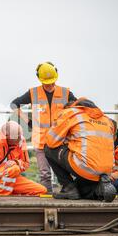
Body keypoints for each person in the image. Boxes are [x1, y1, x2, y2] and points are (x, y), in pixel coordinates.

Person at [10, 62, 77, 192]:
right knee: (45, 174)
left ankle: (69, 192)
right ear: (40, 80)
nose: (49, 85)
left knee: (66, 172)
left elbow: (78, 108)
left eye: (52, 82)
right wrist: (27, 121)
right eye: (47, 83)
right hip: (41, 140)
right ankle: (47, 197)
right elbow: (14, 104)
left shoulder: (66, 93)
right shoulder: (33, 93)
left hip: (61, 140)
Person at [44, 98, 117, 202]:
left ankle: (68, 187)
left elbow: (51, 141)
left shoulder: (70, 112)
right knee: (82, 189)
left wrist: (66, 140)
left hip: (84, 166)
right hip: (106, 171)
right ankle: (98, 190)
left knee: (47, 148)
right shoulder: (107, 120)